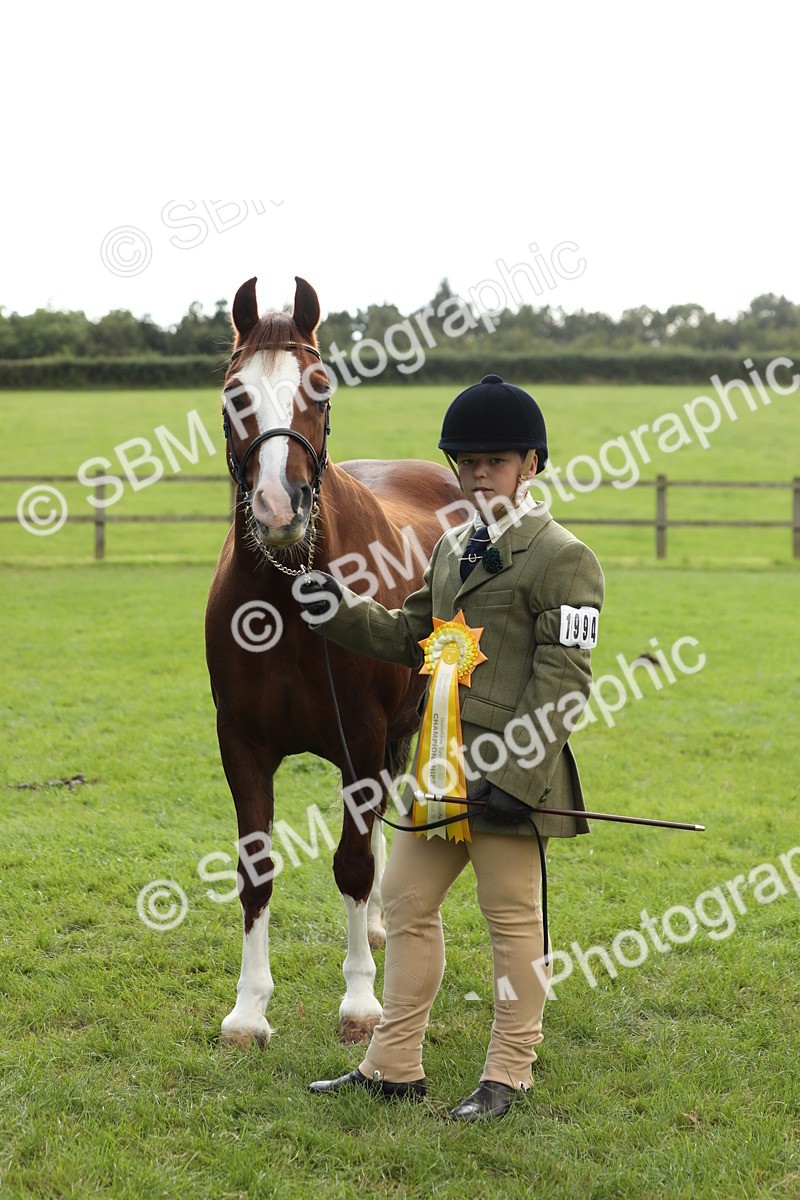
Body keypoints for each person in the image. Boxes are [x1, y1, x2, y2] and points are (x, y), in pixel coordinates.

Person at [299, 374, 604, 1121]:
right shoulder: (450, 548)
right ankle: (394, 1064)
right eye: (465, 462)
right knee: (403, 902)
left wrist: (519, 775)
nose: (476, 475)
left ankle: (510, 1074)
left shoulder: (563, 557)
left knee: (511, 923)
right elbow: (411, 635)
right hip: (439, 769)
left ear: (530, 464)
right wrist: (335, 611)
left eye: (493, 462)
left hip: (508, 774)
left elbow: (566, 680)